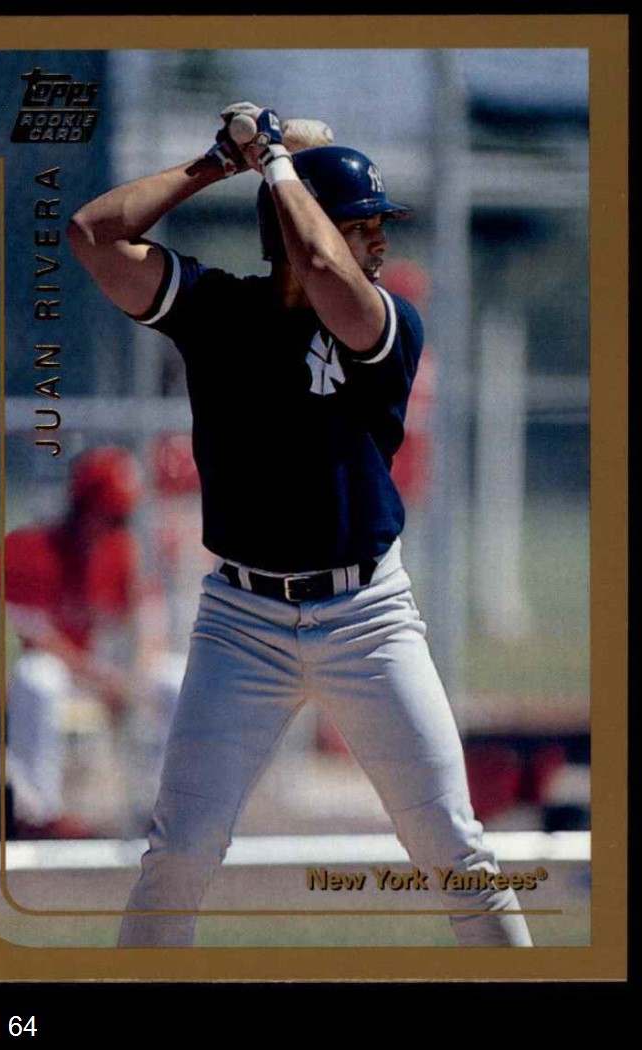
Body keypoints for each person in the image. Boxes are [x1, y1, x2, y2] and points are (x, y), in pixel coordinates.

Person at [67, 102, 533, 947]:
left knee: (453, 849)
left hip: (366, 617)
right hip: (240, 620)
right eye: (363, 224)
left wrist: (275, 159)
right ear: (291, 223)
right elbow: (93, 235)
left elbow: (321, 264)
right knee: (178, 854)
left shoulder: (386, 321)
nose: (378, 242)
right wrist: (217, 162)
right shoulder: (218, 307)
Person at [0, 445, 180, 838]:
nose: (117, 526)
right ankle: (38, 814)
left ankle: (169, 811)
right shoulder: (29, 549)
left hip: (110, 671)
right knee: (35, 678)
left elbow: (150, 626)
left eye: (123, 517)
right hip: (72, 672)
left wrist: (135, 674)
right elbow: (38, 641)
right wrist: (104, 679)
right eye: (110, 515)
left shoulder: (123, 551)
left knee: (176, 679)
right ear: (81, 507)